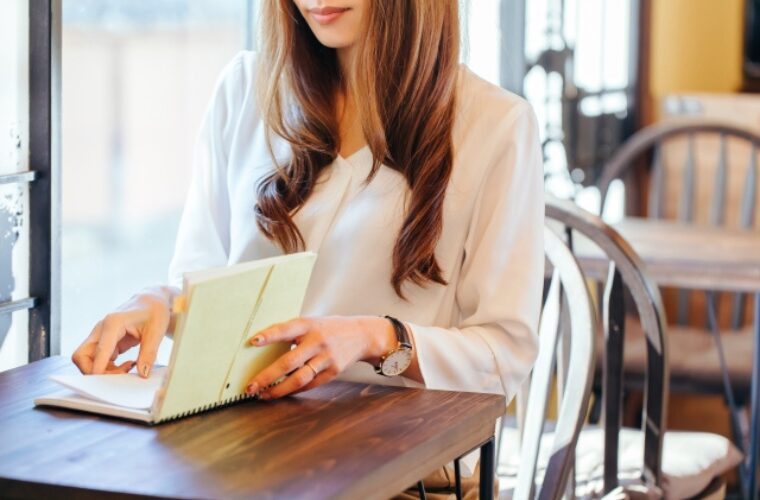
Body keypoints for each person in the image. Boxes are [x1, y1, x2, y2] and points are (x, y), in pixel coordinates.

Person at [72, 0, 544, 495]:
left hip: (402, 478)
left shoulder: (496, 125)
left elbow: (503, 355)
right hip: (241, 454)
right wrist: (166, 303)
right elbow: (204, 276)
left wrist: (376, 338)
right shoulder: (245, 90)